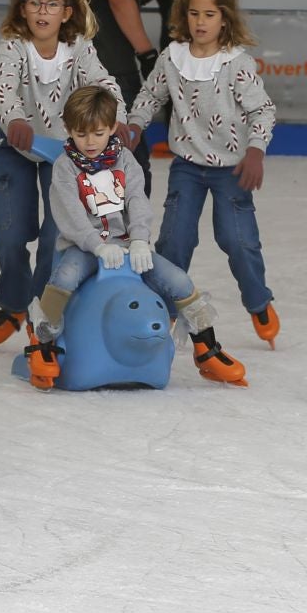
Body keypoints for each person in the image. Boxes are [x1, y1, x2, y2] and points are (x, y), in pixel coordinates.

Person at [25, 85, 244, 390]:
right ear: (69, 130)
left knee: (178, 280)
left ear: (111, 128)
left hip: (128, 245)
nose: (90, 142)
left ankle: (206, 347)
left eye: (98, 133)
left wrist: (140, 239)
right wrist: (97, 246)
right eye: (81, 134)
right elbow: (70, 214)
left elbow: (136, 200)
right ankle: (42, 342)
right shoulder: (65, 167)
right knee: (65, 276)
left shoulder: (125, 160)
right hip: (83, 246)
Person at [126, 0, 279, 345]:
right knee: (174, 240)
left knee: (237, 240)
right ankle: (164, 308)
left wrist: (255, 150)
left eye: (209, 14)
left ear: (224, 19)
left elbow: (262, 110)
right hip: (187, 167)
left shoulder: (236, 63)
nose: (200, 22)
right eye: (194, 13)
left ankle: (258, 301)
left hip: (232, 169)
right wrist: (133, 125)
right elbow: (150, 96)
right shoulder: (172, 57)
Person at [0, 0, 119, 351]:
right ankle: (14, 302)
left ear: (66, 12)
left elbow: (104, 84)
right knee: (8, 235)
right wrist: (15, 119)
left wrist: (117, 119)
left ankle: (39, 316)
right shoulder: (13, 45)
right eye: (35, 3)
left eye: (52, 5)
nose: (43, 12)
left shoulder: (79, 49)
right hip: (16, 145)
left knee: (54, 238)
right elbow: (2, 86)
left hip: (64, 154)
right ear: (23, 9)